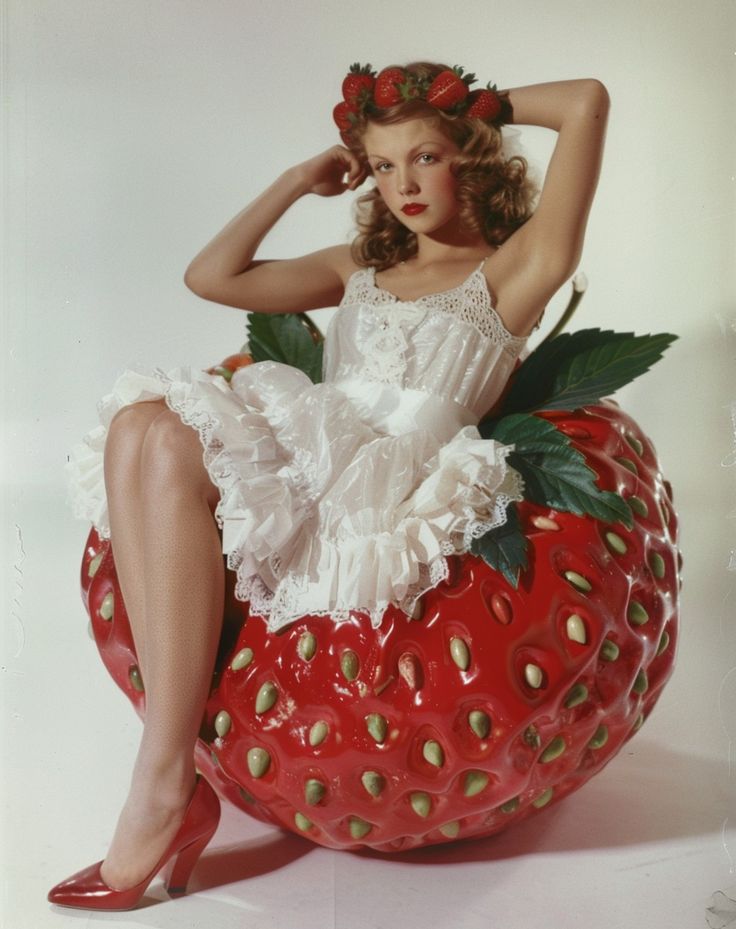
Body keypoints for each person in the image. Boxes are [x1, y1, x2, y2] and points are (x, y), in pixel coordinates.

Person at [48, 61, 609, 911]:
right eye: (384, 167)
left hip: (380, 488)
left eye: (426, 157)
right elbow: (212, 276)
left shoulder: (513, 270)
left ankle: (161, 785)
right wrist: (294, 180)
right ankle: (170, 779)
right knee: (141, 426)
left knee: (157, 434)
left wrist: (476, 106)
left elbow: (585, 102)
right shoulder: (358, 267)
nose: (404, 184)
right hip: (305, 452)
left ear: (471, 157)